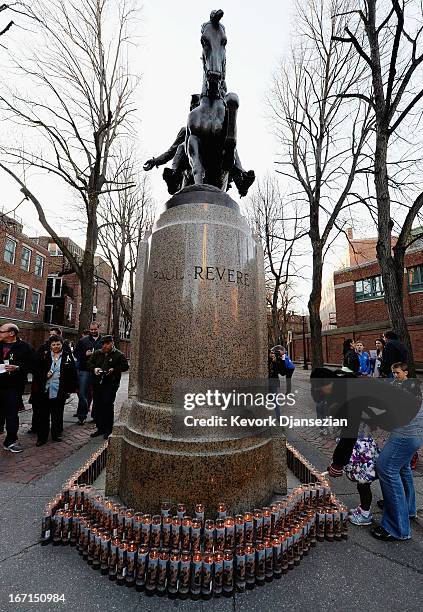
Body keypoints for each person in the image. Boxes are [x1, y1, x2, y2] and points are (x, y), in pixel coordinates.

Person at [373, 384, 423, 541]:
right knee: (402, 467)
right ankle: (407, 508)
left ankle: (397, 528)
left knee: (386, 468)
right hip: (416, 425)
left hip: (407, 431)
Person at [32, 336, 78, 446]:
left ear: (62, 344)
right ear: (50, 345)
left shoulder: (67, 356)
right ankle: (42, 437)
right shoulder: (44, 355)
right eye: (53, 344)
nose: (56, 346)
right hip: (45, 390)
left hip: (59, 390)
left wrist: (70, 388)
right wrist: (44, 375)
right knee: (43, 415)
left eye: (58, 344)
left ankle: (56, 434)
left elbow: (72, 372)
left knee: (57, 414)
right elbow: (36, 370)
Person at [28, 327, 72, 435]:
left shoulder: (65, 351)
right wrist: (44, 375)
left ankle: (57, 432)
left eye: (54, 335)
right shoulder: (43, 349)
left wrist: (69, 387)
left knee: (58, 411)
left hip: (58, 387)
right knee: (41, 410)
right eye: (50, 335)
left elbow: (71, 370)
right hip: (44, 386)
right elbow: (35, 366)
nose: (51, 337)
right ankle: (38, 429)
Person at [0, 323, 35, 453]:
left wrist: (18, 367)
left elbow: (34, 365)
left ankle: (11, 441)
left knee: (11, 414)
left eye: (1, 331)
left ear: (11, 333)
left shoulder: (25, 347)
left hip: (13, 386)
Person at [88, 335, 129, 439]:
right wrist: (95, 369)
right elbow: (88, 363)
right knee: (97, 404)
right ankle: (100, 428)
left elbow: (125, 366)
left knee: (107, 404)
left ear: (112, 343)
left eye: (107, 344)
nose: (105, 346)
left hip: (111, 383)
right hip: (98, 383)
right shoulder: (97, 353)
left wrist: (114, 369)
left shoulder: (118, 355)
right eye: (103, 344)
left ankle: (108, 429)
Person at [73, 322, 103, 425]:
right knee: (82, 393)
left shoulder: (103, 341)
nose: (93, 331)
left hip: (98, 371)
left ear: (99, 329)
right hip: (85, 370)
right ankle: (82, 416)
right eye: (91, 330)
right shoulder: (83, 341)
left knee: (98, 394)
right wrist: (84, 354)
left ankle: (96, 416)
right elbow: (75, 353)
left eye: (95, 329)